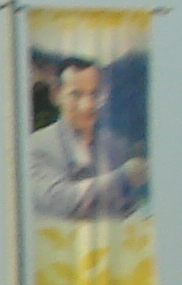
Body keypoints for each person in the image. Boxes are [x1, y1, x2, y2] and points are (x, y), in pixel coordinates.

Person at [28, 54, 148, 223]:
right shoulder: (37, 146)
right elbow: (60, 202)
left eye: (95, 94)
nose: (88, 105)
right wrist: (123, 178)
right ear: (56, 95)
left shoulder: (113, 145)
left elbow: (126, 208)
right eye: (76, 95)